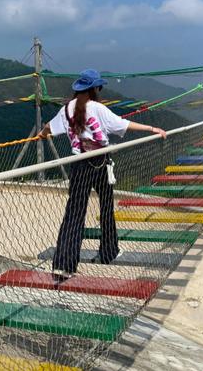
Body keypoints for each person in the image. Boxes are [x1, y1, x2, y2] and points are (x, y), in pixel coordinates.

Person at [38, 68, 167, 279]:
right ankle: (108, 252)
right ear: (95, 88)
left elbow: (48, 128)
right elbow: (123, 125)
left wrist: (41, 135)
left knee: (74, 213)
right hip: (100, 163)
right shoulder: (98, 108)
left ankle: (63, 265)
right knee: (106, 207)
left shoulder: (67, 109)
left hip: (78, 165)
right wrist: (153, 129)